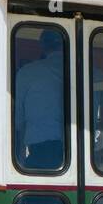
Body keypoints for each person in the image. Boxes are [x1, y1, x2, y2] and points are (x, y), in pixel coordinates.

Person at [14, 30, 66, 170]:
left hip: (41, 151)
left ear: (43, 46)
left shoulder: (27, 73)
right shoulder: (93, 73)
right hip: (86, 151)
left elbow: (17, 118)